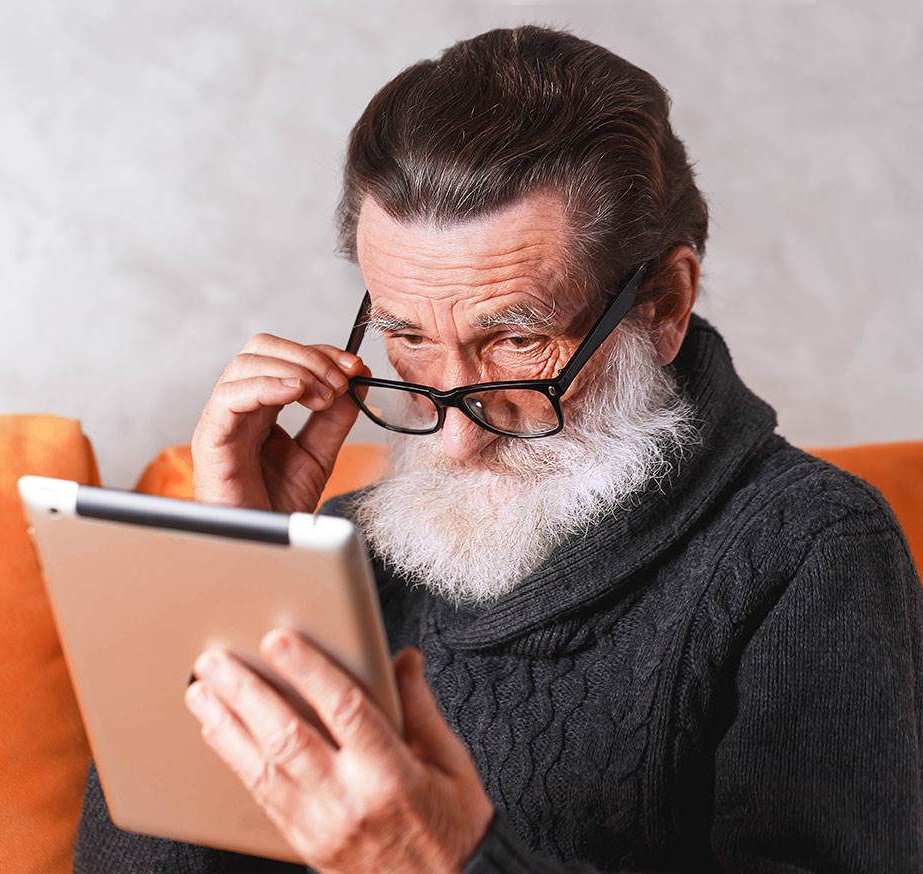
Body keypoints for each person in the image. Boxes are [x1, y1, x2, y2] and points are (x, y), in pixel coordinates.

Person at [73, 24, 923, 874]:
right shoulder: (348, 549)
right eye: (407, 337)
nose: (455, 436)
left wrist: (441, 860)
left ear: (662, 303)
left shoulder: (811, 549)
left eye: (515, 344)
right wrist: (233, 575)